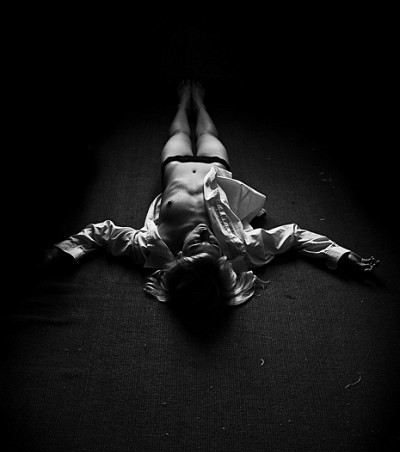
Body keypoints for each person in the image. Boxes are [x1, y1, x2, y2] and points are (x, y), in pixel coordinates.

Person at [42, 80, 379, 314]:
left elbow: (102, 234)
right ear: (222, 260)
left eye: (196, 243)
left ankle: (184, 101)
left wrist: (63, 250)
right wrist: (341, 256)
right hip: (215, 168)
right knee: (206, 132)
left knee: (178, 131)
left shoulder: (151, 246)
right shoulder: (240, 247)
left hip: (175, 166)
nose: (206, 235)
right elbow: (294, 236)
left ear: (179, 257)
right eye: (214, 246)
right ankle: (199, 102)